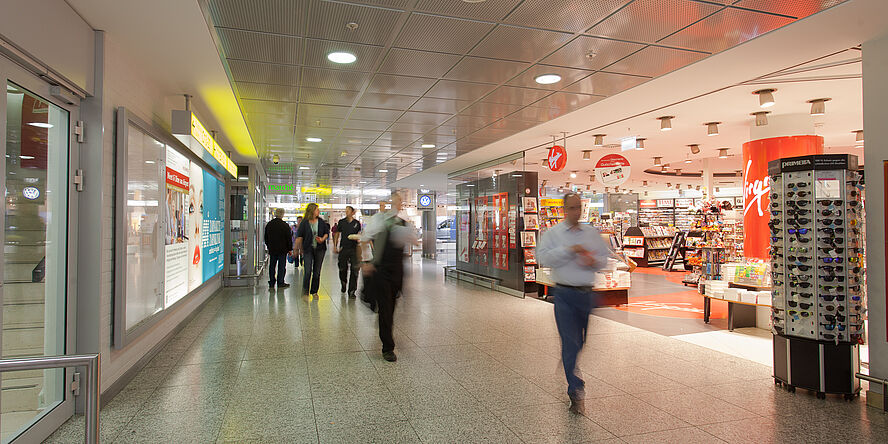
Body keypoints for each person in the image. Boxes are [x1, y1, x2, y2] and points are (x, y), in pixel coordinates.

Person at [537, 192, 611, 415]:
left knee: (579, 341)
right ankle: (575, 388)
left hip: (586, 295)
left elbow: (603, 260)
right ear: (563, 209)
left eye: (578, 207)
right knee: (570, 341)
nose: (575, 212)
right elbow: (543, 257)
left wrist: (593, 260)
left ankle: (569, 364)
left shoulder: (591, 233)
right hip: (564, 295)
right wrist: (570, 250)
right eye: (571, 208)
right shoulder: (553, 234)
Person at [362, 193, 414, 362]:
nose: (396, 204)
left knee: (390, 307)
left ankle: (382, 318)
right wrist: (366, 261)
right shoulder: (378, 220)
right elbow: (364, 239)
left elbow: (413, 242)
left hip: (397, 272)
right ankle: (387, 348)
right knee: (386, 308)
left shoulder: (403, 223)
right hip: (381, 270)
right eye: (393, 201)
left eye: (398, 202)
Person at [295, 203, 329, 295]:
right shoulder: (304, 223)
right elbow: (299, 236)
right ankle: (306, 290)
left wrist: (322, 239)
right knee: (308, 271)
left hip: (320, 249)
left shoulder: (321, 221)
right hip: (308, 249)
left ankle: (314, 291)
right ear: (312, 211)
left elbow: (326, 232)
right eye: (317, 210)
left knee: (317, 271)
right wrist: (296, 249)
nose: (319, 211)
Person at [360, 200, 388, 310]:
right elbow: (366, 237)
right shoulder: (376, 219)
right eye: (381, 205)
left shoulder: (393, 220)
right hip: (377, 256)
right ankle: (373, 300)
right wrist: (366, 258)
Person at [334, 206, 362, 297]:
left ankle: (352, 290)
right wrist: (335, 246)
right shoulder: (341, 222)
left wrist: (359, 239)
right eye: (345, 210)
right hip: (344, 248)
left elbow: (359, 234)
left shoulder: (357, 223)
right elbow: (337, 233)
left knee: (355, 269)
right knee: (342, 268)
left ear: (353, 212)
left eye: (348, 210)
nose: (347, 212)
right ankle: (343, 282)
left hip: (354, 248)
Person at [264, 208, 293, 289]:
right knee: (281, 266)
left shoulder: (269, 224)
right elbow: (288, 238)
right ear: (282, 214)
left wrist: (268, 245)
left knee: (272, 265)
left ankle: (272, 281)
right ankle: (280, 282)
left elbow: (266, 237)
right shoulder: (285, 225)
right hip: (282, 250)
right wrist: (290, 249)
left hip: (272, 249)